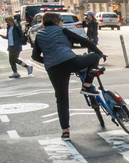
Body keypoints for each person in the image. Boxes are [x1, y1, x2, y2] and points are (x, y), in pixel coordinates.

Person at [31, 12, 104, 141]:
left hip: (53, 69)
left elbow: (35, 56)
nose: (62, 23)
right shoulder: (62, 31)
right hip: (70, 61)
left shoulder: (39, 35)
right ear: (57, 22)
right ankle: (86, 86)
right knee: (93, 57)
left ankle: (65, 132)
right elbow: (84, 41)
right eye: (61, 21)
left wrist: (49, 61)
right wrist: (100, 53)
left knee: (62, 100)